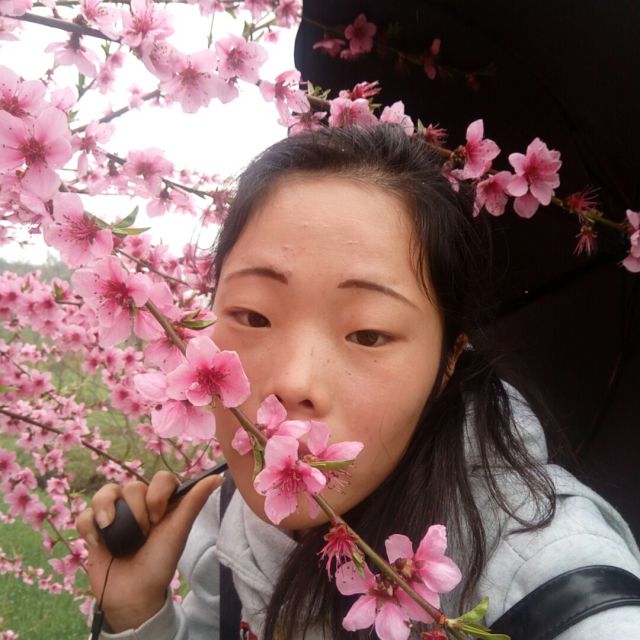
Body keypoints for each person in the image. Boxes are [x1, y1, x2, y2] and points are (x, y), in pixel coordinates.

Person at [77, 125, 640, 639]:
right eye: (252, 315)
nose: (293, 381)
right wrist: (138, 615)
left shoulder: (546, 576)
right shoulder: (223, 524)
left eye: (368, 334)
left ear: (448, 361)